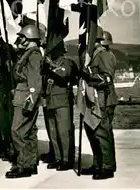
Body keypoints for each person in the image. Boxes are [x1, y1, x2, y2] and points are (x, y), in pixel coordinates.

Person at [5, 24, 43, 179]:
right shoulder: (28, 54)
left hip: (25, 97)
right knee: (27, 132)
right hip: (22, 95)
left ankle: (24, 166)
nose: (19, 39)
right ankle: (29, 164)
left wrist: (30, 100)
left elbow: (35, 81)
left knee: (18, 131)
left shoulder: (33, 55)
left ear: (29, 38)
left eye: (22, 37)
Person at [81, 27, 118, 180]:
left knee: (102, 133)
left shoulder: (105, 55)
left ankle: (107, 167)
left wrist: (88, 75)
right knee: (93, 132)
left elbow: (107, 79)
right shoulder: (95, 55)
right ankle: (98, 164)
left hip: (103, 99)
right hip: (96, 100)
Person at [42, 41, 75, 171]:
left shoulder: (66, 62)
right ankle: (57, 158)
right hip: (50, 100)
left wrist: (50, 66)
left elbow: (64, 74)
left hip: (62, 101)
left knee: (63, 132)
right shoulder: (47, 64)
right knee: (53, 132)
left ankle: (66, 159)